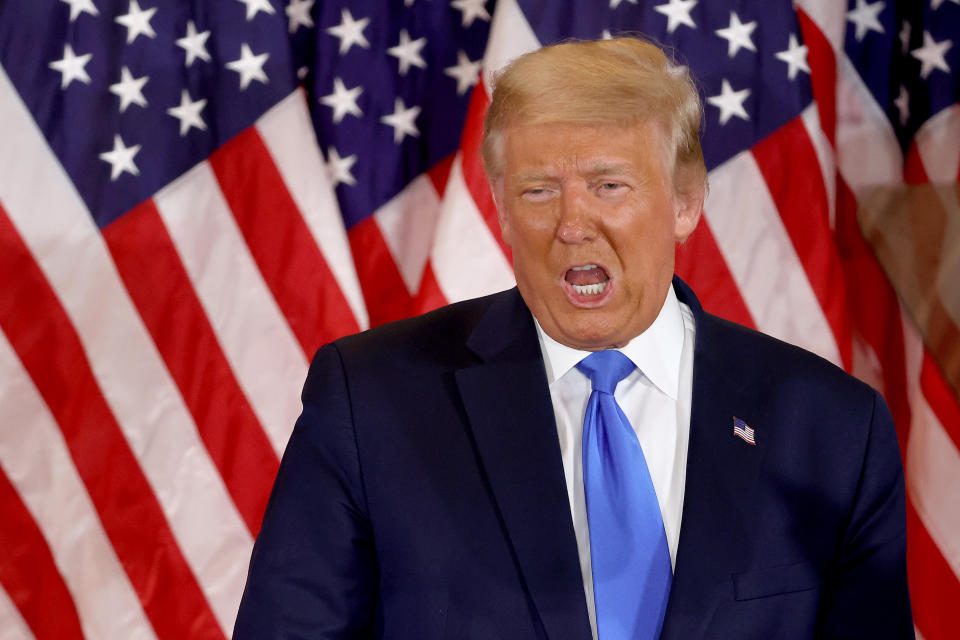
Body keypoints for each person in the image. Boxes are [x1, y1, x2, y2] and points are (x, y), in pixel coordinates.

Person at [233, 37, 913, 639]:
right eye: (537, 191)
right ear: (499, 208)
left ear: (685, 202)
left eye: (608, 185)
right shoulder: (370, 402)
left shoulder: (832, 430)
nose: (571, 223)